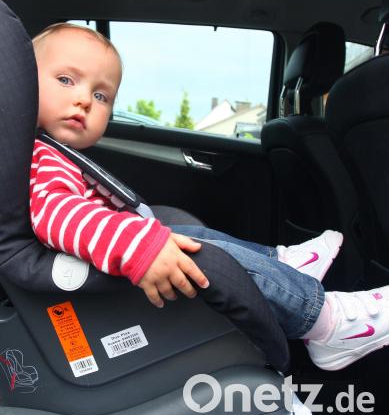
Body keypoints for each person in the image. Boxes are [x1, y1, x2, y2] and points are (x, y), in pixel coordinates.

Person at [29, 22, 389, 371]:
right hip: (98, 282)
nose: (84, 100)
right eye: (65, 80)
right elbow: (58, 213)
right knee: (193, 248)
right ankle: (327, 324)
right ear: (23, 82)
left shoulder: (54, 151)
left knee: (190, 237)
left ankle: (281, 267)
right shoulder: (41, 157)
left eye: (100, 95)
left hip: (106, 256)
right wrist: (137, 245)